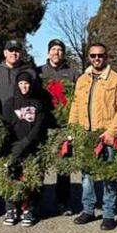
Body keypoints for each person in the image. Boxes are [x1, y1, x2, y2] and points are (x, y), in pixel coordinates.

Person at [69, 42, 117, 231]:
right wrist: (73, 129)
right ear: (89, 57)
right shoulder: (82, 79)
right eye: (93, 55)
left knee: (108, 176)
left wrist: (111, 132)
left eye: (100, 55)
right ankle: (88, 209)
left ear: (107, 57)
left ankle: (109, 214)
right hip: (86, 135)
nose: (97, 59)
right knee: (87, 175)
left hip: (106, 136)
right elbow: (76, 105)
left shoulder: (116, 81)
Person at [0, 39, 37, 221]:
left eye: (17, 50)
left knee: (21, 165)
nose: (14, 53)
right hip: (1, 126)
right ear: (5, 53)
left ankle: (22, 203)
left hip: (23, 125)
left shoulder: (29, 72)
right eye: (10, 50)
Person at [37, 38, 81, 215]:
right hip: (43, 125)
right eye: (53, 49)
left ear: (63, 53)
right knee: (39, 163)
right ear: (48, 52)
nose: (56, 52)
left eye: (60, 50)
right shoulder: (39, 72)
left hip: (64, 126)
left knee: (64, 165)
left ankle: (63, 202)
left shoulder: (72, 73)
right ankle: (36, 202)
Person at [1, 71, 47, 227]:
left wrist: (26, 142)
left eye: (26, 83)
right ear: (17, 85)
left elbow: (38, 127)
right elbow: (6, 127)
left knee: (30, 178)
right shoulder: (10, 103)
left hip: (31, 147)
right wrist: (14, 146)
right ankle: (11, 208)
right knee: (12, 176)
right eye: (21, 83)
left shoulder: (37, 104)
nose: (24, 86)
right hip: (13, 148)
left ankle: (28, 209)